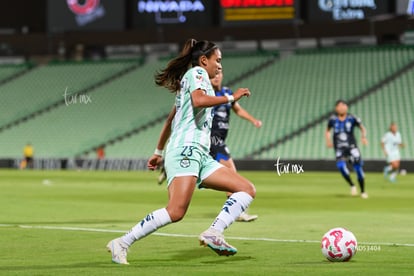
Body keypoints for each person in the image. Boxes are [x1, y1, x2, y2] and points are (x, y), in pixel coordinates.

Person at [107, 39, 256, 265]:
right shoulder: (196, 73)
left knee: (246, 189)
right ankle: (122, 242)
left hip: (200, 155)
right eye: (218, 60)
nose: (220, 66)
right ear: (204, 60)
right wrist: (230, 97)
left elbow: (170, 119)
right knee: (176, 211)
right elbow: (198, 101)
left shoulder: (197, 80)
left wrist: (158, 151)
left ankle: (214, 232)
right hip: (186, 150)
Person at [210, 70, 261, 222]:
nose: (216, 76)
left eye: (219, 73)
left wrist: (253, 120)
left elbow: (237, 109)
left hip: (220, 140)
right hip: (212, 140)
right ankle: (236, 211)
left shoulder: (227, 93)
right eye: (213, 75)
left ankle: (234, 211)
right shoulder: (207, 94)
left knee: (228, 176)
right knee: (231, 175)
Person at [325, 99, 368, 199]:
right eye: (339, 106)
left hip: (352, 147)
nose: (341, 108)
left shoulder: (352, 118)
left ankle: (362, 191)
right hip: (339, 148)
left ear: (346, 107)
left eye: (343, 106)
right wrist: (328, 140)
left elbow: (362, 128)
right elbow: (327, 130)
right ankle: (352, 185)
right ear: (336, 108)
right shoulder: (332, 119)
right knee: (341, 167)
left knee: (358, 169)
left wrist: (363, 137)